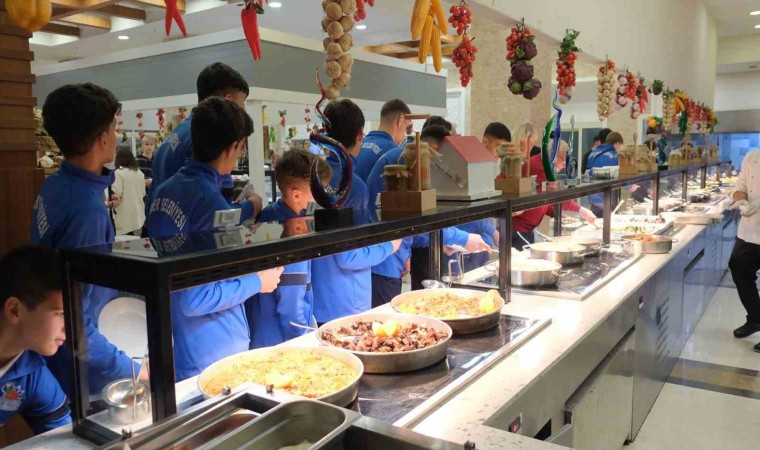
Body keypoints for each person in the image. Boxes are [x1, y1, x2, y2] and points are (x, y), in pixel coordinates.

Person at [145, 97, 282, 380]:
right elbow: (196, 298)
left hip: (178, 344)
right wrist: (259, 281)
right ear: (233, 147)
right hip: (214, 353)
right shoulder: (212, 204)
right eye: (242, 147)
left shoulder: (163, 191)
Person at [31, 83, 135, 395]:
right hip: (81, 368)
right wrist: (130, 368)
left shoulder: (55, 185)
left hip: (56, 346)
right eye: (114, 128)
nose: (116, 135)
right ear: (103, 139)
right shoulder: (86, 209)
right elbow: (75, 318)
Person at [365, 125, 491, 298]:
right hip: (382, 257)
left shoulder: (405, 158)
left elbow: (409, 220)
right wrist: (463, 238)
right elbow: (416, 216)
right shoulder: (409, 161)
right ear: (433, 149)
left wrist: (407, 252)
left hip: (391, 254)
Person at [311, 99, 402, 324]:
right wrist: (390, 246)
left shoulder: (315, 179)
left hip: (318, 299)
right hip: (347, 303)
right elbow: (350, 256)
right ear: (361, 134)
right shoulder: (354, 186)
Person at [147, 62, 257, 220]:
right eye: (242, 104)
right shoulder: (210, 137)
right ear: (228, 101)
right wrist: (252, 206)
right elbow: (220, 216)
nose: (244, 111)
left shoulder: (175, 135)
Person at [249, 149, 331, 348]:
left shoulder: (268, 216)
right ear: (296, 195)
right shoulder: (296, 235)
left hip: (260, 331)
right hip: (283, 341)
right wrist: (304, 341)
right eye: (319, 192)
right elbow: (291, 308)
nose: (324, 198)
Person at [0, 246, 71, 435]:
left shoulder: (31, 374)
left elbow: (64, 436)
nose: (68, 328)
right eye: (60, 314)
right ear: (15, 310)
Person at [727, 150, 760, 350]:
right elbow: (740, 187)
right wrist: (741, 200)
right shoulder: (752, 156)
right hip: (749, 230)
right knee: (739, 269)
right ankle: (755, 319)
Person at [354, 99, 411, 181]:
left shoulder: (357, 145)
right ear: (400, 120)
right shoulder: (394, 153)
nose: (404, 135)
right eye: (407, 127)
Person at [112, 149, 146, 236]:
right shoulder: (139, 173)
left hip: (125, 218)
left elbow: (117, 193)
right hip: (139, 217)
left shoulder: (118, 173)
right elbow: (143, 193)